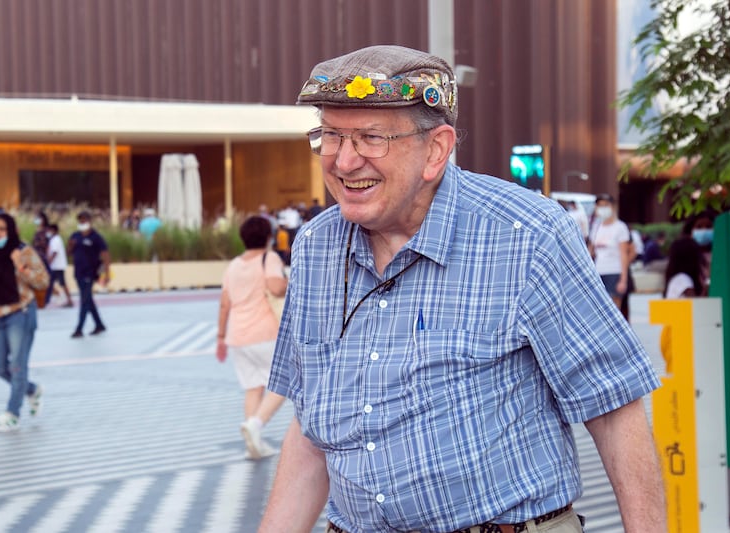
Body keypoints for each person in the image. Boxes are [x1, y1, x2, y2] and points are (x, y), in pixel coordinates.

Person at [259, 45, 665, 533]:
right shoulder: (315, 248)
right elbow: (310, 433)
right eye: (330, 135)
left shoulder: (527, 234)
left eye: (369, 138)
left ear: (436, 149)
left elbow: (614, 411)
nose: (344, 161)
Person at [216, 216, 288, 459]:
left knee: (253, 387)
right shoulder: (269, 258)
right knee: (285, 379)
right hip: (265, 333)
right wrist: (291, 281)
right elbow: (277, 288)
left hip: (238, 336)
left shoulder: (234, 264)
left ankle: (253, 444)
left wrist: (220, 336)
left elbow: (225, 304)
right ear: (268, 236)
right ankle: (256, 424)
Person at [0, 213, 49, 432]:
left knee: (17, 366)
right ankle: (32, 390)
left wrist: (20, 267)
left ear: (11, 230)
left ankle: (12, 413)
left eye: (2, 229)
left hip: (20, 313)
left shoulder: (23, 252)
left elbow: (43, 281)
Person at [67, 211, 110, 338]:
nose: (82, 223)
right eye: (80, 221)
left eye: (84, 221)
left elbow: (105, 254)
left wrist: (106, 274)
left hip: (90, 272)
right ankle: (99, 324)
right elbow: (69, 252)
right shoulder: (75, 236)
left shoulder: (95, 237)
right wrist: (70, 246)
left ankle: (79, 328)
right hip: (78, 272)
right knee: (88, 300)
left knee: (84, 300)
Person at [589, 193, 634, 312]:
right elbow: (591, 251)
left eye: (605, 205)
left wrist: (623, 279)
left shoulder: (620, 227)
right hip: (599, 272)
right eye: (600, 205)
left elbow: (624, 253)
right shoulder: (596, 227)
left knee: (614, 309)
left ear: (612, 207)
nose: (602, 208)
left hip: (614, 271)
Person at [45, 223, 74, 308]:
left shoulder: (56, 239)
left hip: (57, 266)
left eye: (49, 230)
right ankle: (67, 299)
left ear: (54, 230)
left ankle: (46, 300)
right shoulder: (54, 239)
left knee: (57, 283)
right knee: (55, 283)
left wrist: (49, 262)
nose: (48, 232)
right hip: (56, 266)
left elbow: (54, 252)